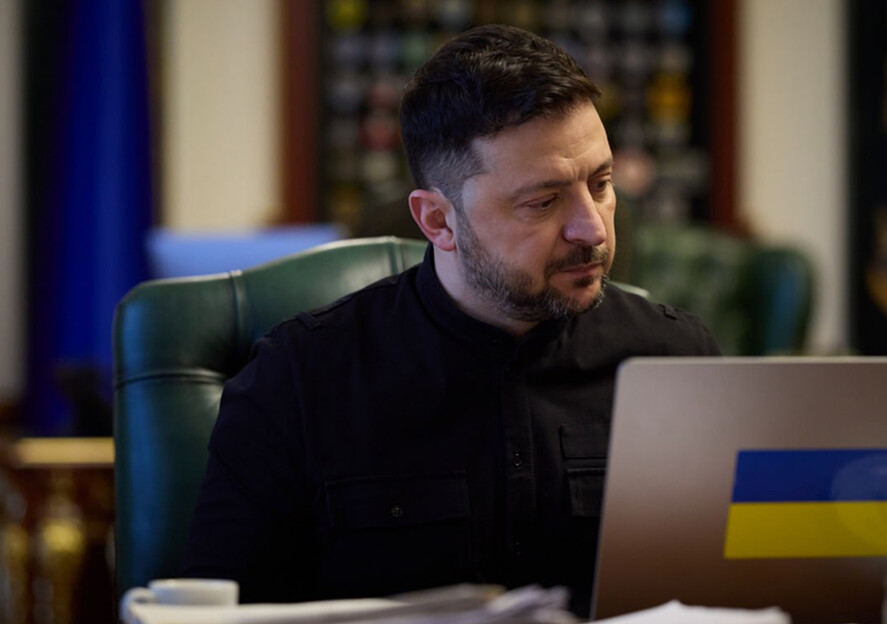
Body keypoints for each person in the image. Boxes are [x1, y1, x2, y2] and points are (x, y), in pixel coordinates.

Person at [182, 24, 720, 616]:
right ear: (438, 221)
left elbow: (732, 592)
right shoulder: (299, 381)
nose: (591, 227)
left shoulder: (675, 360)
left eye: (602, 184)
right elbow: (216, 612)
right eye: (542, 202)